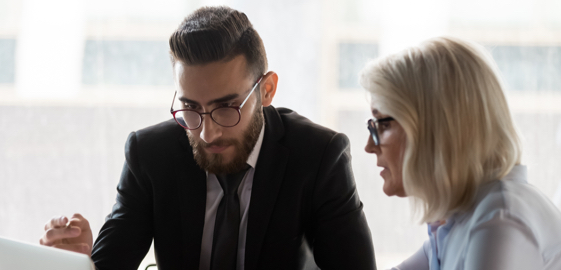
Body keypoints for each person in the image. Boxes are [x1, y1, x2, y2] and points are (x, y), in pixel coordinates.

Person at [40, 6, 376, 270]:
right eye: (190, 108)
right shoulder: (150, 154)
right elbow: (112, 264)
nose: (206, 132)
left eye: (227, 107)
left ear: (267, 90)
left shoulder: (319, 157)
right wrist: (78, 261)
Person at [361, 36, 561, 270]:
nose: (369, 146)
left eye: (382, 124)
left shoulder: (498, 221)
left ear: (434, 127)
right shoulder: (459, 220)